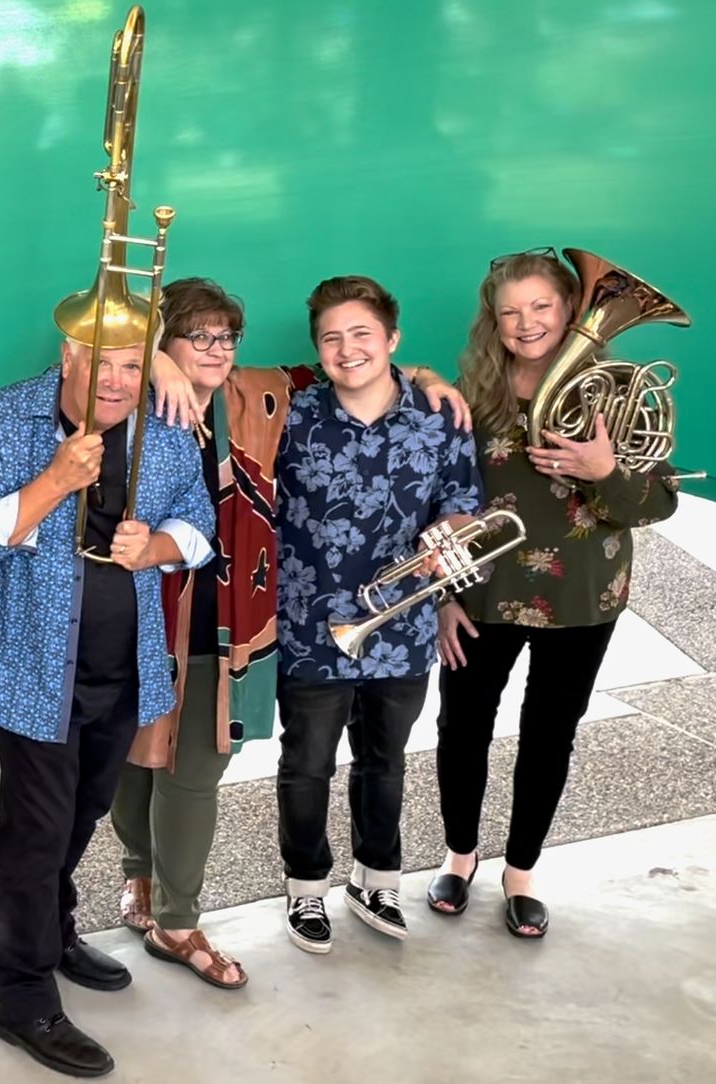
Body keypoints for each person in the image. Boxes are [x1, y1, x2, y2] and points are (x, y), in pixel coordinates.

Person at [113, 279, 472, 987]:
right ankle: (148, 876)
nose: (215, 349)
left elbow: (355, 369)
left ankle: (186, 916)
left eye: (225, 336)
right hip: (151, 605)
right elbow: (91, 360)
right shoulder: (133, 394)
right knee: (135, 754)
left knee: (203, 768)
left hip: (237, 613)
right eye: (197, 337)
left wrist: (426, 376)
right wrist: (153, 362)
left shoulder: (266, 394)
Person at [0, 310, 215, 1078]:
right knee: (34, 834)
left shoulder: (165, 430)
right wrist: (54, 483)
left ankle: (53, 931)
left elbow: (199, 526)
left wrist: (156, 547)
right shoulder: (1, 420)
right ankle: (20, 993)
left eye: (133, 365)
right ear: (68, 355)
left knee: (82, 813)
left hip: (125, 672)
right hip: (33, 671)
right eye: (103, 363)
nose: (119, 382)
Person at [429, 248, 680, 937]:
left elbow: (657, 504)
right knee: (461, 728)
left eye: (541, 306)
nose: (526, 322)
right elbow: (437, 501)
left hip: (583, 598)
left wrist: (605, 470)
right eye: (510, 311)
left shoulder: (613, 391)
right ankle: (459, 856)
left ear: (570, 309)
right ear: (494, 320)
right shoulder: (473, 393)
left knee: (549, 735)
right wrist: (443, 595)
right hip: (483, 594)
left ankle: (521, 872)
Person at [275, 276, 483, 954]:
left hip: (403, 626)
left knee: (384, 761)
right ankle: (306, 885)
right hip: (309, 621)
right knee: (307, 764)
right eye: (331, 338)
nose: (347, 349)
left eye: (362, 333)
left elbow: (463, 503)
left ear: (393, 339)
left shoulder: (439, 414)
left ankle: (377, 878)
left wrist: (449, 536)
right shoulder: (291, 411)